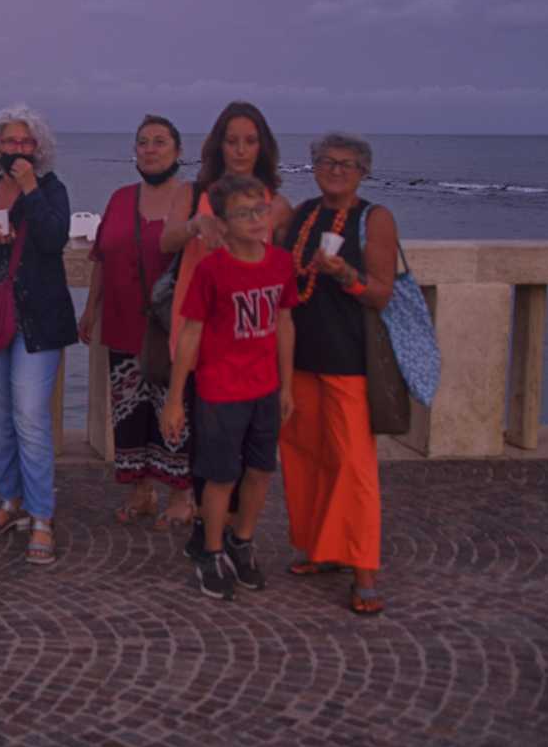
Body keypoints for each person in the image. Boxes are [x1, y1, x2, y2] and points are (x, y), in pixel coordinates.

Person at [161, 173, 297, 602]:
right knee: (220, 477)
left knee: (260, 471)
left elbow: (284, 322)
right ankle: (213, 549)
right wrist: (175, 398)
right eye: (244, 213)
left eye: (262, 209)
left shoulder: (279, 262)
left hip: (264, 389)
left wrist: (287, 386)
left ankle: (242, 540)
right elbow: (190, 333)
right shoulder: (211, 270)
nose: (257, 219)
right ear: (221, 222)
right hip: (220, 391)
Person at [279, 132, 399, 616]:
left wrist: (343, 275)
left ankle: (364, 567)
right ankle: (321, 550)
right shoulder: (303, 214)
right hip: (301, 356)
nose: (335, 170)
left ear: (362, 172)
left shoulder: (376, 218)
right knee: (304, 456)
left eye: (346, 164)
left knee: (353, 464)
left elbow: (381, 293)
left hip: (349, 358)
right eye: (326, 161)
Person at [174, 100, 295, 560]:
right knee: (208, 452)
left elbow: (281, 279)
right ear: (217, 144)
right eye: (231, 139)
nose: (240, 149)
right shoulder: (196, 192)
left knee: (254, 459)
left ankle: (233, 539)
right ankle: (209, 537)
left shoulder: (275, 204)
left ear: (262, 146)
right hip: (199, 337)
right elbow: (167, 240)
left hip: (253, 349)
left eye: (249, 140)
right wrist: (195, 224)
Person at [0, 107, 79, 566]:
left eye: (26, 143)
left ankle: (42, 515)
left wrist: (30, 188)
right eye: (10, 143)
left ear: (38, 148)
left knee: (30, 416)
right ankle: (11, 501)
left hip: (39, 320)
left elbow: (53, 238)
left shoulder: (51, 190)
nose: (18, 150)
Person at [79, 115, 195, 529]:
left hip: (174, 329)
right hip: (124, 322)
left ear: (178, 151)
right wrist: (91, 308)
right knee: (129, 412)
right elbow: (102, 260)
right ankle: (140, 491)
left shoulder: (191, 199)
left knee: (175, 411)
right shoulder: (120, 198)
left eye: (160, 141)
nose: (150, 149)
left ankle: (182, 495)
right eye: (143, 142)